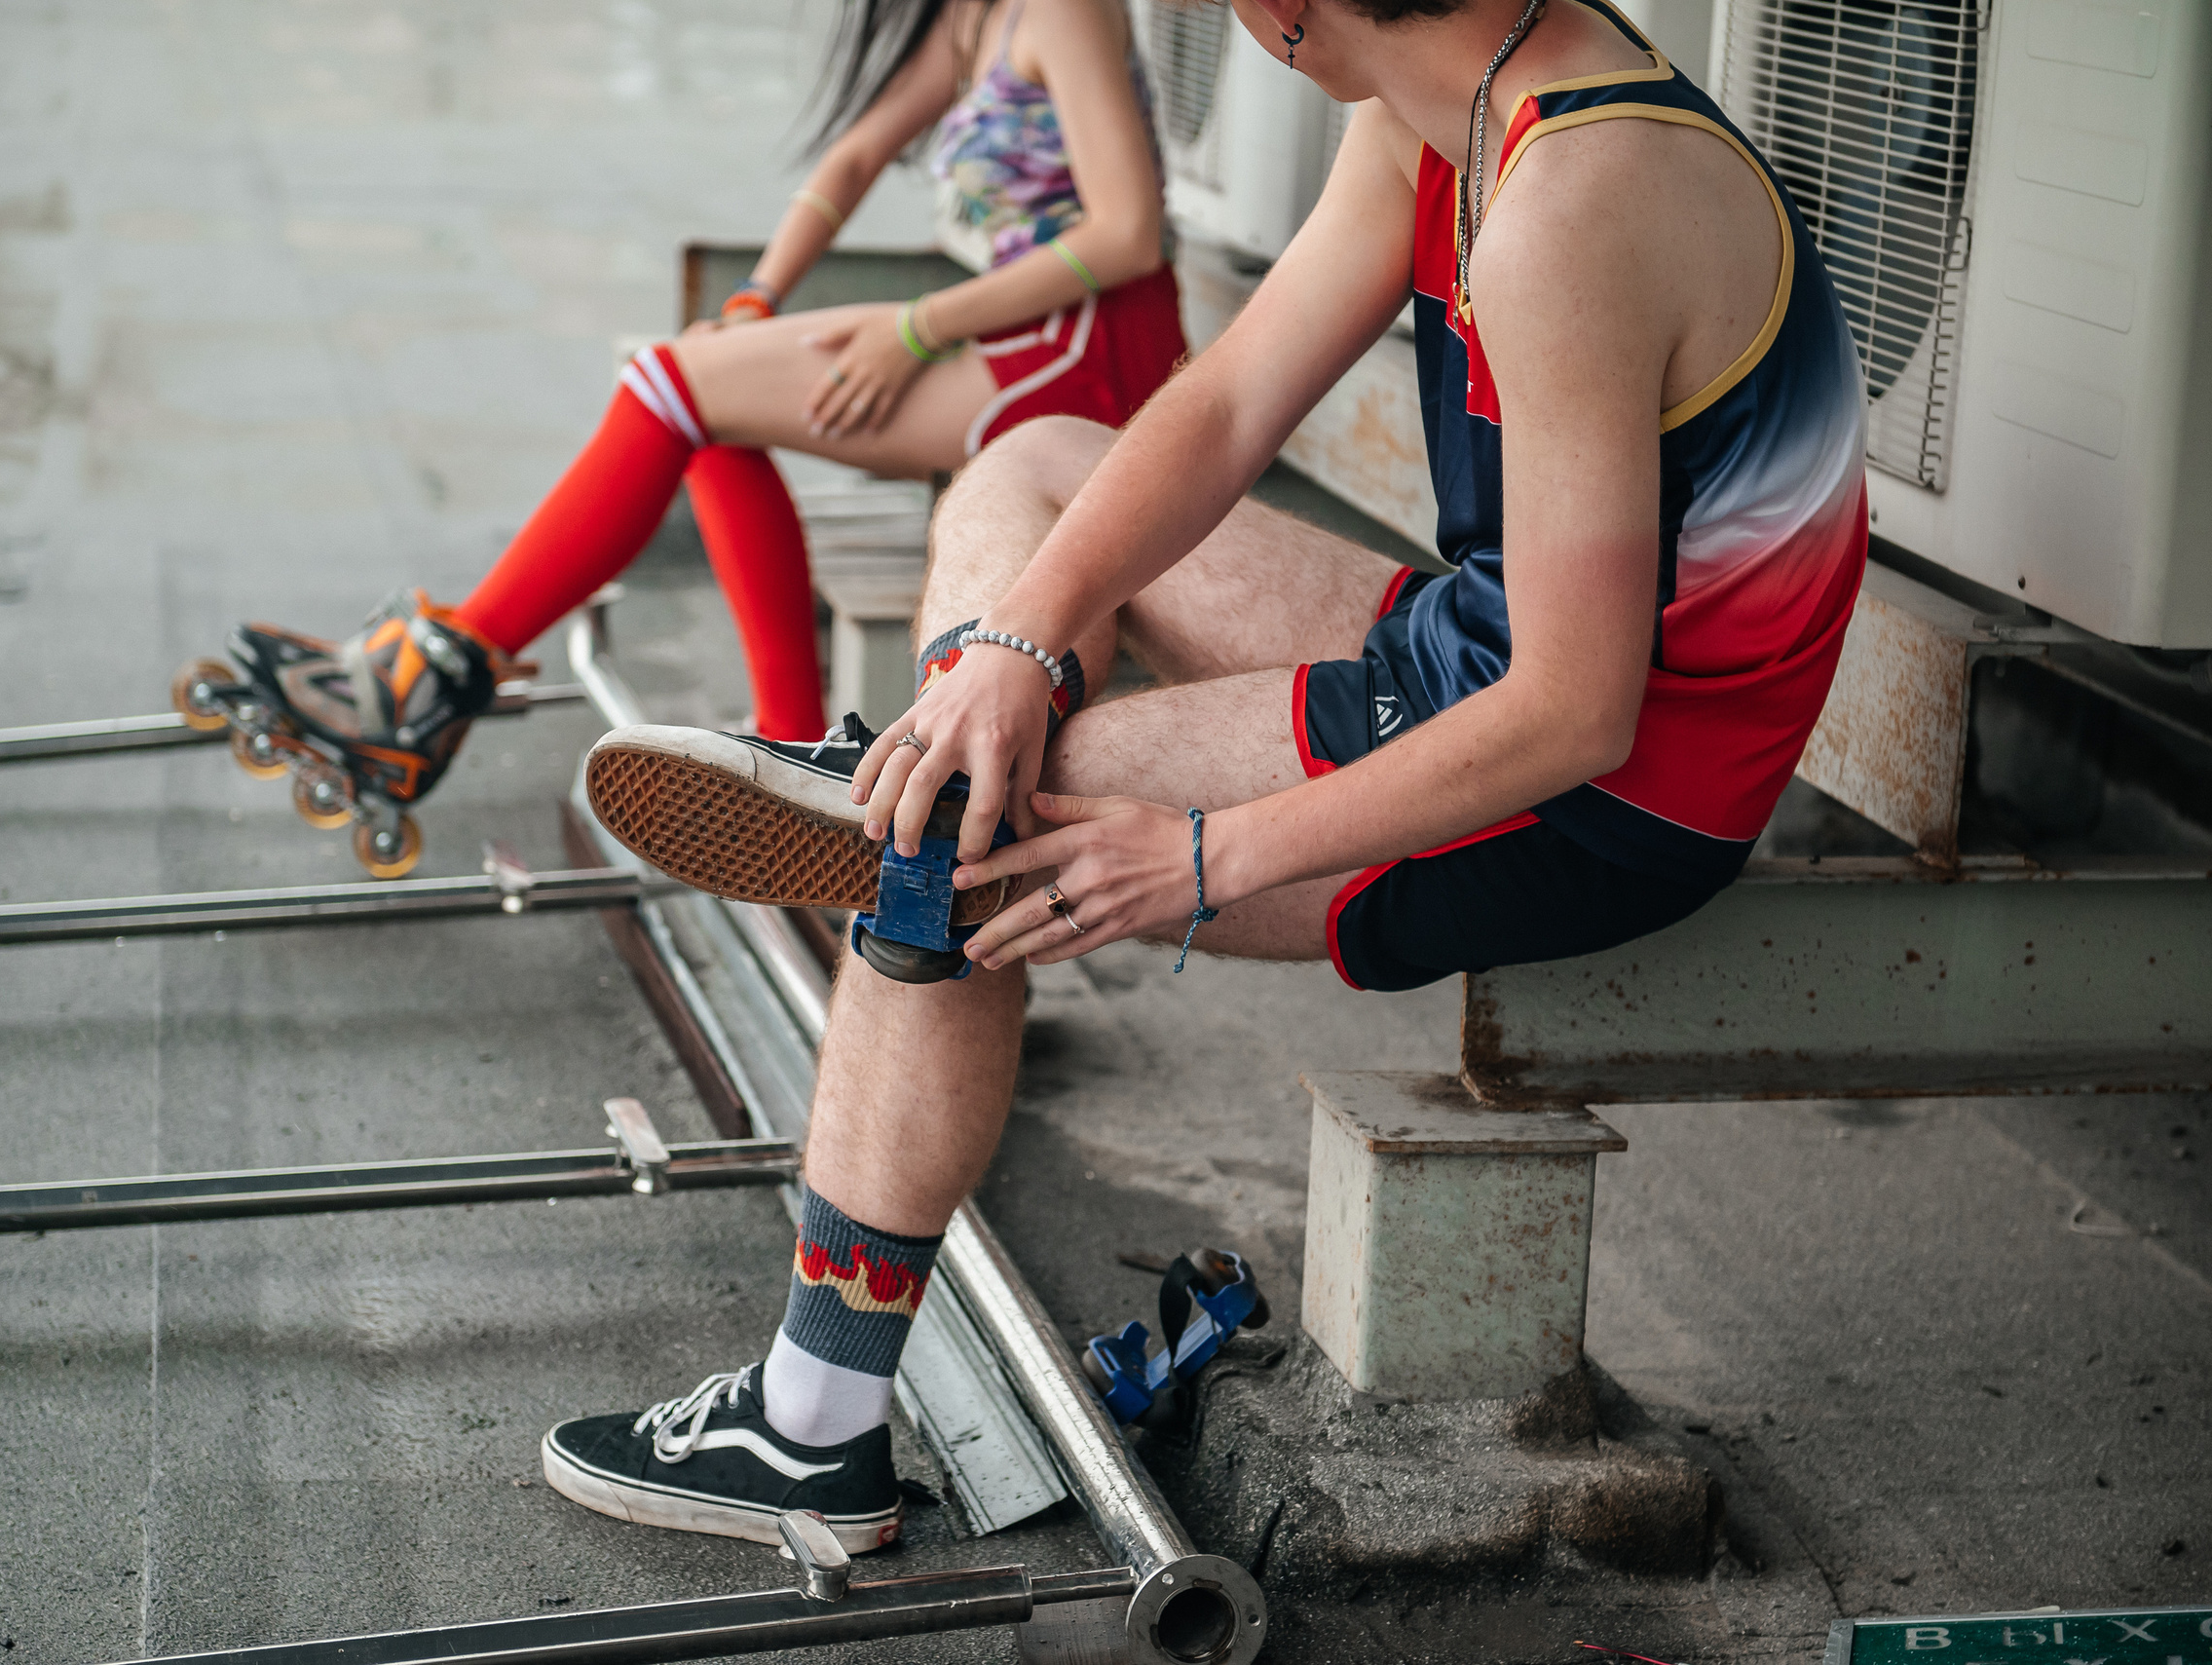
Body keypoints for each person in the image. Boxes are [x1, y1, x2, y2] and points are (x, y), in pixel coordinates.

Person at [547, 0, 1867, 1553]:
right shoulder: (1464, 91)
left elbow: (1575, 714)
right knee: (1030, 471)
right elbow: (1232, 401)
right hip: (1501, 640)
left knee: (965, 851)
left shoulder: (1571, 210)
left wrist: (1201, 856)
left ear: (1287, 15)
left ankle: (813, 1428)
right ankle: (920, 781)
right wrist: (1015, 651)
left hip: (1610, 787)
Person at [212, 0, 1182, 836]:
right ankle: (789, 747)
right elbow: (848, 162)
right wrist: (758, 296)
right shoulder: (977, 16)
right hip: (1025, 330)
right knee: (693, 391)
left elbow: (1128, 231)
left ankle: (443, 673)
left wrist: (917, 329)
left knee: (670, 386)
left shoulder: (1063, 7)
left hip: (1086, 356)